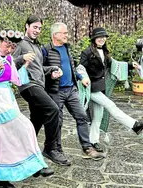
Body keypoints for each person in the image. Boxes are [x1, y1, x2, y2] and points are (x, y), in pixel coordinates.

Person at [0, 29, 52, 188]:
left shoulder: (9, 60)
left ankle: (2, 178)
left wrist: (24, 65)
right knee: (23, 127)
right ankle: (36, 165)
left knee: (3, 141)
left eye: (12, 46)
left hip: (7, 99)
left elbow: (18, 80)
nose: (9, 47)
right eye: (7, 43)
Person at [42, 22, 106, 162]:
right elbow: (39, 68)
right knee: (57, 122)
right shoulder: (45, 50)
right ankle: (56, 150)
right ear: (55, 35)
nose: (67, 35)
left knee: (82, 116)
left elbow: (72, 67)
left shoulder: (66, 48)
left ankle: (87, 148)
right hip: (55, 91)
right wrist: (50, 72)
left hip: (71, 89)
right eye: (64, 33)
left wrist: (81, 77)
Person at [12, 15, 70, 166]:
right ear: (27, 26)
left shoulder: (37, 46)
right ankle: (50, 148)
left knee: (35, 121)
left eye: (39, 28)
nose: (37, 30)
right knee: (53, 110)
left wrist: (51, 69)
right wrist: (22, 57)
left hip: (38, 84)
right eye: (34, 27)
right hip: (29, 85)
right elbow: (9, 63)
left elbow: (38, 68)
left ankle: (23, 152)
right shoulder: (20, 43)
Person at [80, 27, 143, 152]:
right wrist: (82, 77)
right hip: (91, 89)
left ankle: (93, 141)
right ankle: (134, 125)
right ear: (94, 39)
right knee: (111, 106)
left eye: (104, 37)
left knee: (98, 117)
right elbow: (80, 68)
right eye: (99, 37)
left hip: (100, 88)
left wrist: (131, 65)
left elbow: (115, 65)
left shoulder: (105, 52)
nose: (102, 39)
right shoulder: (86, 53)